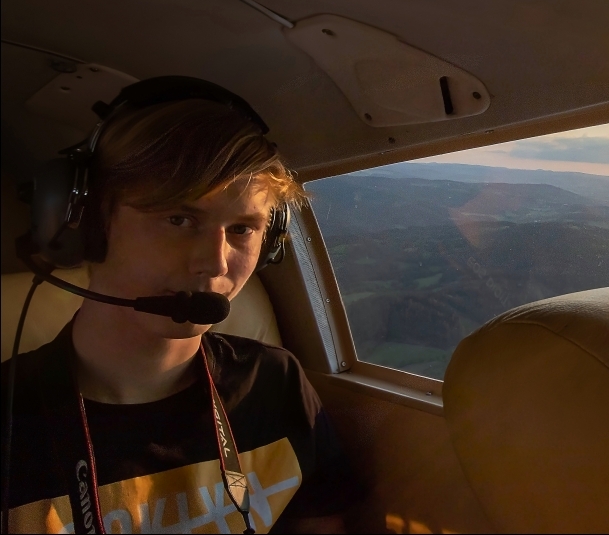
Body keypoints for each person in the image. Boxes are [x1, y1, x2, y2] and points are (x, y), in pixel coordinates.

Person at [1, 82, 356, 534]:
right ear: (87, 226)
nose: (214, 262)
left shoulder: (275, 383)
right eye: (178, 219)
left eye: (242, 229)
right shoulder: (10, 421)